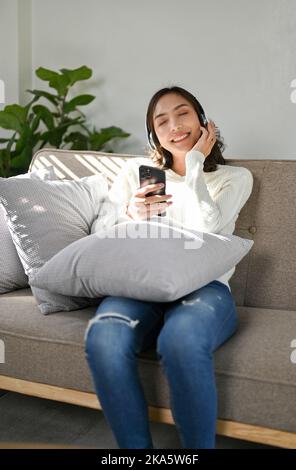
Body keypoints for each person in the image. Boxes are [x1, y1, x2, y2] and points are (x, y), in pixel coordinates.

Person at [84, 86, 254, 449]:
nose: (175, 126)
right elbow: (100, 232)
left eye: (183, 114)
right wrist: (130, 214)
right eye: (162, 122)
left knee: (181, 341)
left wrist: (194, 163)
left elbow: (209, 228)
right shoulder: (135, 172)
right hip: (142, 283)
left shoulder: (235, 178)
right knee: (104, 337)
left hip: (204, 287)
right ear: (153, 135)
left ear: (204, 122)